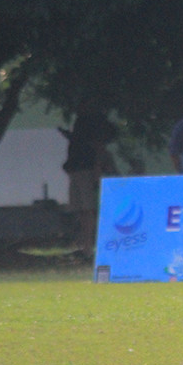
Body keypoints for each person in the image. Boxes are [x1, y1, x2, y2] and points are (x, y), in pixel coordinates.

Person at [60, 100, 118, 258]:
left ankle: (88, 246)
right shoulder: (80, 122)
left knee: (87, 209)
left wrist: (97, 170)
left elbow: (98, 147)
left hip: (86, 169)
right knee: (79, 209)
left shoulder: (92, 122)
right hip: (76, 169)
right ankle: (83, 244)